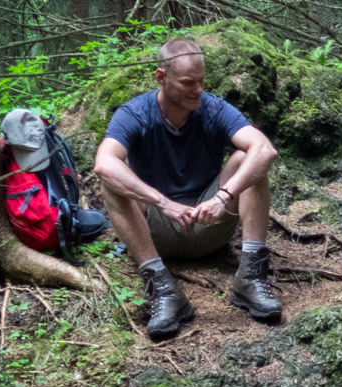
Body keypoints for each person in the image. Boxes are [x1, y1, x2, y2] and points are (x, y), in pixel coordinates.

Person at [94, 37, 282, 339]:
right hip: (156, 229)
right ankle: (162, 288)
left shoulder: (213, 108)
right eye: (187, 83)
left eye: (201, 81)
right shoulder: (135, 113)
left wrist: (223, 197)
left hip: (210, 222)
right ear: (161, 77)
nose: (198, 90)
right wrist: (164, 203)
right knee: (112, 178)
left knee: (251, 157)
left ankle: (251, 275)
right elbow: (104, 163)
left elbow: (265, 150)